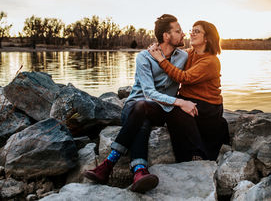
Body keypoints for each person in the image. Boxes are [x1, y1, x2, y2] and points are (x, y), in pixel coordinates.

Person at [84, 14, 198, 193]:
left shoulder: (183, 56)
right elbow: (149, 94)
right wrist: (180, 102)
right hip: (135, 106)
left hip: (161, 110)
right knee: (141, 111)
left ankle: (108, 164)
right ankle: (139, 171)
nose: (183, 34)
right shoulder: (144, 57)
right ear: (166, 36)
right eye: (178, 31)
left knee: (144, 114)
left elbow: (200, 59)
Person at [148, 20, 229, 162]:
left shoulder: (210, 61)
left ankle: (198, 153)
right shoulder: (190, 54)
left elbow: (184, 77)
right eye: (192, 30)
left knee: (176, 111)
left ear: (207, 38)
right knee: (172, 110)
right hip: (189, 99)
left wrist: (161, 60)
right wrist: (158, 48)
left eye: (197, 31)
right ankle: (184, 156)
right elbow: (171, 53)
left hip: (207, 105)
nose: (192, 33)